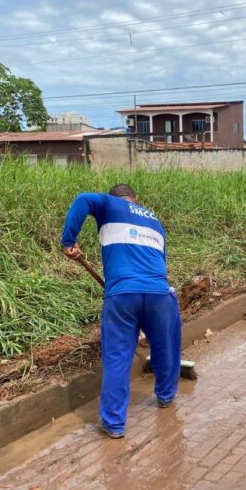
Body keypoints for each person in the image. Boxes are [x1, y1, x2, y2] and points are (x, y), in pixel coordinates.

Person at [61, 184, 181, 439]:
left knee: (118, 358)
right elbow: (161, 261)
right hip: (159, 293)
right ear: (136, 200)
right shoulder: (155, 221)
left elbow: (83, 199)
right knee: (165, 348)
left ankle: (114, 424)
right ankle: (166, 397)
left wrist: (68, 241)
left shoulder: (110, 204)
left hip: (123, 295)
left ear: (115, 198)